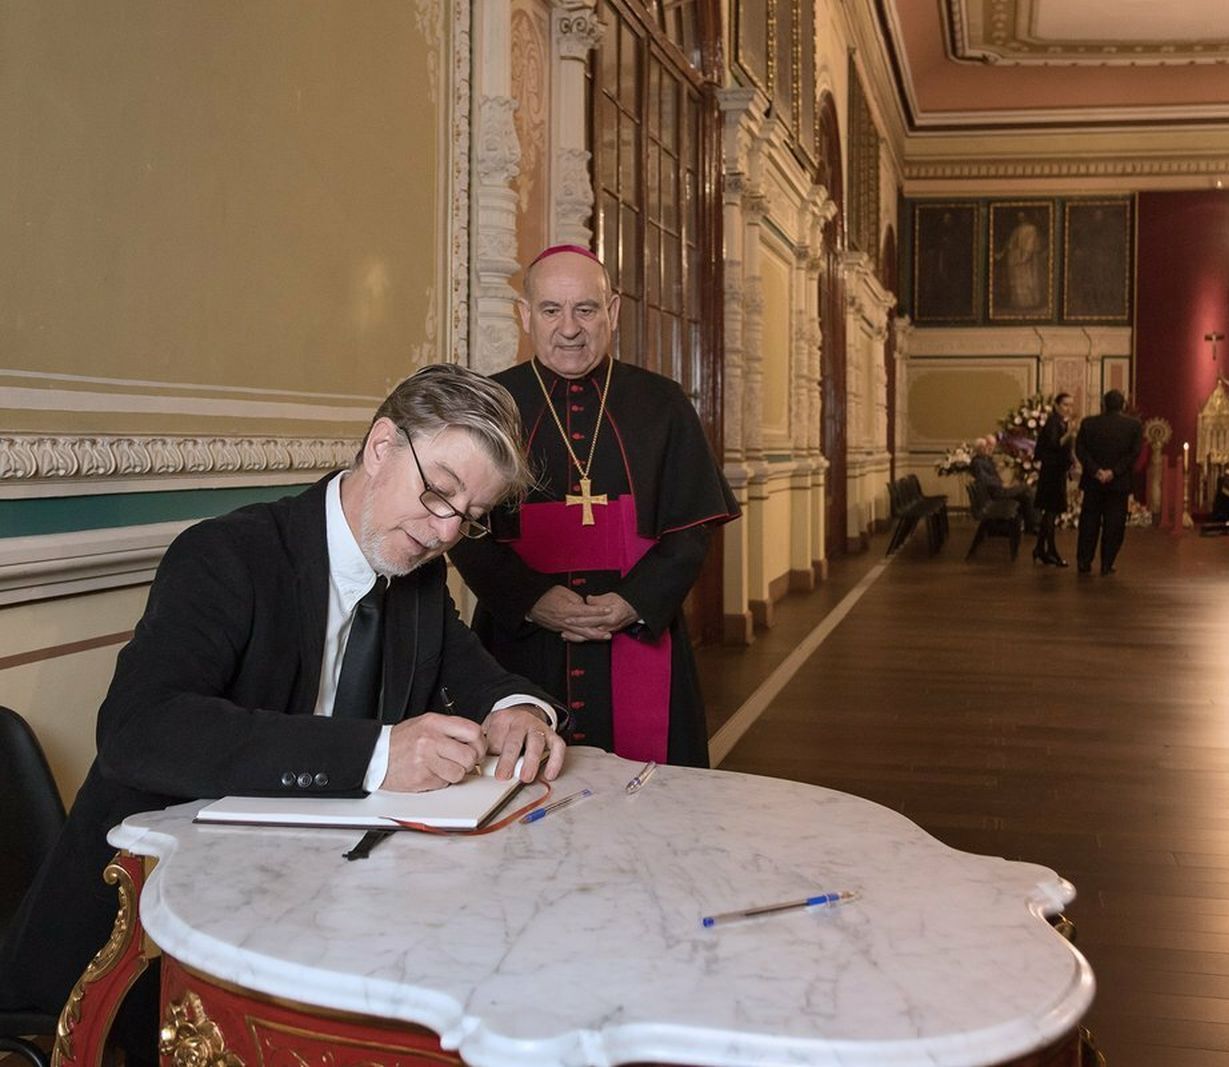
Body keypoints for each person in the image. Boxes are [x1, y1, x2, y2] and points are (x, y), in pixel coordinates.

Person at [0, 364, 565, 1060]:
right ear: (381, 446)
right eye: (438, 492)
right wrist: (380, 755)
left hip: (316, 907)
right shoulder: (227, 555)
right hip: (143, 942)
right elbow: (139, 728)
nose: (446, 528)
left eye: (469, 516)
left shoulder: (417, 577)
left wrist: (518, 709)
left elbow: (473, 671)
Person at [450, 245, 738, 768]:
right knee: (515, 790)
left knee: (655, 800)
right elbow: (462, 528)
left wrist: (635, 601)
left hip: (638, 633)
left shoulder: (663, 403)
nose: (569, 329)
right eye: (550, 310)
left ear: (614, 311)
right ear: (524, 314)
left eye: (586, 309)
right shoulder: (490, 406)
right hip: (521, 640)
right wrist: (531, 597)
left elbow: (692, 528)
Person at [1074, 389, 1143, 575]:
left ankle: (1084, 562)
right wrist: (1114, 472)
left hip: (1092, 482)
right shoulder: (1134, 426)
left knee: (1089, 522)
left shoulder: (1088, 423)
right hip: (1118, 483)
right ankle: (1107, 563)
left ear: (1103, 404)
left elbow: (1080, 450)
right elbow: (1134, 453)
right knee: (1114, 524)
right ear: (1123, 405)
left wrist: (1096, 470)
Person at [1031, 393, 1075, 566]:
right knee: (1050, 513)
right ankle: (1051, 552)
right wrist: (1070, 432)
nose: (1069, 408)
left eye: (1071, 405)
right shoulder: (1053, 422)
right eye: (1065, 405)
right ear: (1056, 405)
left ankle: (1040, 549)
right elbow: (1055, 444)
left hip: (1056, 472)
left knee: (1050, 514)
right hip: (1051, 474)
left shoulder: (1060, 422)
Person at [970, 435, 1039, 533]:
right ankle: (1033, 525)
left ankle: (1031, 524)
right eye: (984, 447)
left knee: (1026, 493)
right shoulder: (977, 462)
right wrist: (1002, 484)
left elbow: (989, 476)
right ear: (979, 449)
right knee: (1026, 489)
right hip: (996, 493)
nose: (987, 449)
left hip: (996, 490)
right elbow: (983, 479)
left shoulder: (984, 460)